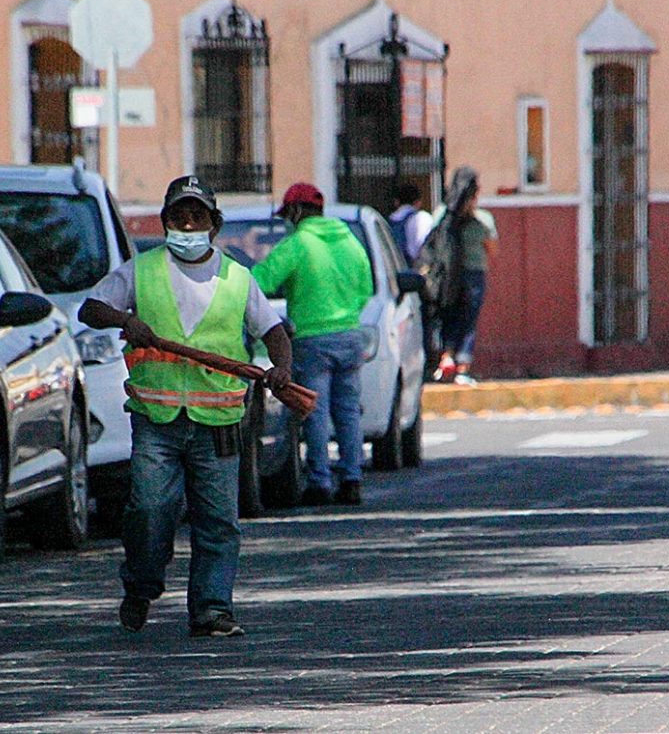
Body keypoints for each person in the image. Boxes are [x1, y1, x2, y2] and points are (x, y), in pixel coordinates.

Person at [78, 174, 292, 638]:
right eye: (180, 216)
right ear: (166, 222)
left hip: (219, 422)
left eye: (198, 216)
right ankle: (141, 583)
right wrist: (124, 319)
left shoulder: (238, 278)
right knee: (150, 509)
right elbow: (90, 309)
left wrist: (282, 369)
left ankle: (212, 609)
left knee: (218, 522)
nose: (189, 224)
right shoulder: (141, 271)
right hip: (157, 418)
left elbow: (274, 331)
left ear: (214, 224)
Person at [251, 183, 373, 506]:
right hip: (350, 334)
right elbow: (365, 288)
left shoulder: (298, 244)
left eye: (287, 215)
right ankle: (352, 479)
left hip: (311, 338)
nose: (286, 221)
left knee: (313, 410)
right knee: (348, 410)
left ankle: (319, 481)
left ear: (296, 211)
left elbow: (259, 282)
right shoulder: (349, 241)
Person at [428, 166, 498, 386]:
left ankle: (446, 357)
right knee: (468, 321)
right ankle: (463, 369)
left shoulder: (442, 215)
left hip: (448, 276)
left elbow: (431, 241)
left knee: (448, 315)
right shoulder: (483, 220)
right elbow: (492, 249)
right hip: (474, 275)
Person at [386, 182, 433, 267]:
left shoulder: (386, 222)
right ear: (418, 202)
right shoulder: (422, 218)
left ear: (396, 202)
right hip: (414, 270)